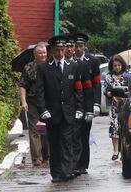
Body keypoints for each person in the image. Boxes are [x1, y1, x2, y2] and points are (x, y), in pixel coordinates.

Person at [36, 35, 85, 183]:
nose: (60, 53)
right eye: (57, 50)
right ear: (52, 51)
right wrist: (42, 109)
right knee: (55, 142)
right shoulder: (44, 68)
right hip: (52, 112)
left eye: (62, 50)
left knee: (67, 141)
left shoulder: (73, 66)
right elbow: (40, 91)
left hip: (68, 112)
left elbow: (78, 89)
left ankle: (67, 170)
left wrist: (79, 108)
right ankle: (56, 173)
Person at [73, 32, 101, 175]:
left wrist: (96, 103)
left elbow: (97, 84)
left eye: (81, 46)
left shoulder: (93, 61)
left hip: (88, 102)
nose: (78, 49)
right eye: (76, 46)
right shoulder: (70, 61)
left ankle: (83, 164)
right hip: (74, 103)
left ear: (85, 47)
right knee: (74, 134)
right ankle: (75, 163)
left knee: (85, 134)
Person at [20, 42, 50, 167]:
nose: (43, 55)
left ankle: (45, 155)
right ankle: (36, 158)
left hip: (47, 102)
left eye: (44, 53)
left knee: (44, 129)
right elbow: (23, 85)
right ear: (35, 54)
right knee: (34, 129)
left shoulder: (50, 66)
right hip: (33, 102)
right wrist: (23, 101)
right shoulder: (28, 67)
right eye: (40, 53)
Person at [104, 54, 130, 160]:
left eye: (119, 65)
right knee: (114, 127)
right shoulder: (109, 77)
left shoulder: (128, 75)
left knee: (124, 128)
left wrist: (125, 97)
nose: (117, 67)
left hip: (125, 106)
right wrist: (111, 95)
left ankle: (124, 151)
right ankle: (115, 151)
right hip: (114, 106)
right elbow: (106, 91)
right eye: (115, 66)